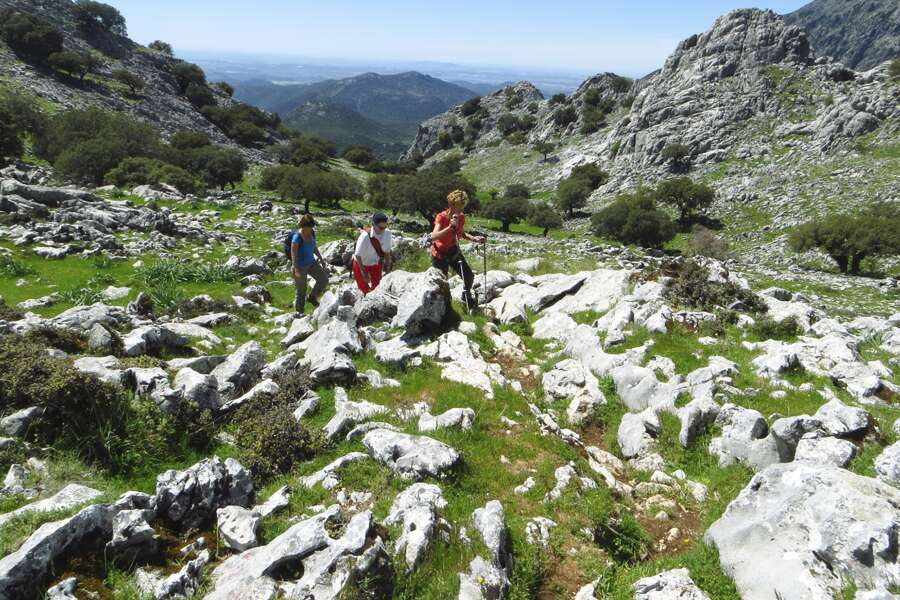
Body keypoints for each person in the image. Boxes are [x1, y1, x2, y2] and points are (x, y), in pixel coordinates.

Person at [431, 189, 486, 307]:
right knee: (442, 284)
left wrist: (474, 238)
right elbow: (434, 236)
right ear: (451, 204)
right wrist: (449, 228)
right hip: (439, 254)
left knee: (469, 276)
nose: (461, 209)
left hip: (453, 251)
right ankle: (444, 307)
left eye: (463, 206)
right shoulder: (441, 217)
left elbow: (461, 233)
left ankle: (466, 295)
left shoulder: (461, 217)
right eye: (459, 205)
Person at [291, 213, 329, 313]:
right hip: (300, 266)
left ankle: (312, 297)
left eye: (311, 227)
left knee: (323, 280)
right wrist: (296, 269)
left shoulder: (311, 233)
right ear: (303, 226)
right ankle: (299, 313)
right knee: (301, 291)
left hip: (312, 263)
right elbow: (293, 253)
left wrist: (321, 259)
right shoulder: (297, 237)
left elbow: (314, 247)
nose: (309, 230)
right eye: (308, 228)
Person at [352, 212, 393, 295]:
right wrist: (364, 273)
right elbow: (357, 255)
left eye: (385, 227)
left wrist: (388, 264)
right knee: (364, 289)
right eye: (380, 227)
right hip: (361, 264)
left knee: (377, 287)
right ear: (373, 224)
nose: (383, 230)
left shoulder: (387, 234)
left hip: (376, 264)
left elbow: (387, 251)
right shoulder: (365, 236)